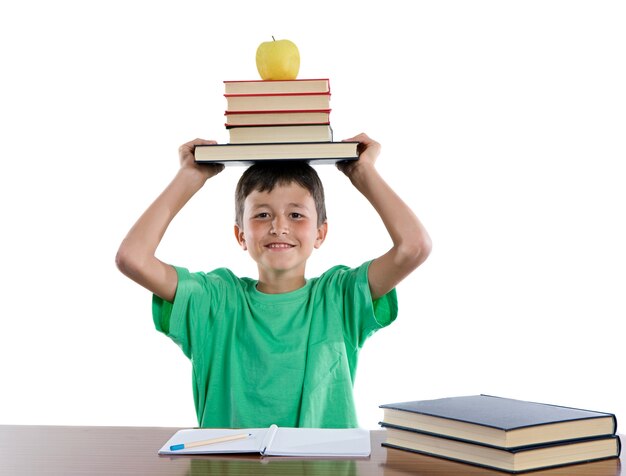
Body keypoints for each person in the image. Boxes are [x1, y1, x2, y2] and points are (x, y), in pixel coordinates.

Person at [115, 133, 431, 428]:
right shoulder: (215, 300)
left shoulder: (339, 296)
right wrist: (188, 177)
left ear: (320, 233)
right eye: (262, 214)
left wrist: (364, 173)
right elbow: (133, 258)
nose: (279, 227)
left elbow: (414, 247)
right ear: (240, 234)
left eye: (296, 215)